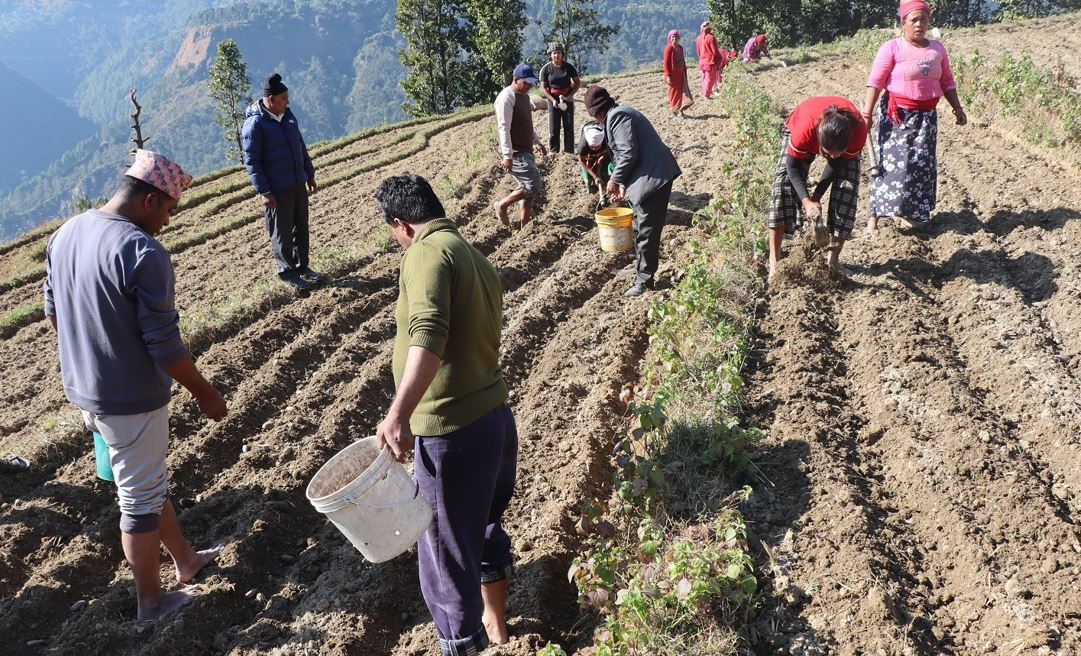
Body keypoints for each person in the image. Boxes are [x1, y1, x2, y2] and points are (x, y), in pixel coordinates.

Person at [43, 150, 227, 621]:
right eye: (168, 210)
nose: (166, 222)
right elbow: (165, 346)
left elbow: (54, 314)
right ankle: (151, 602)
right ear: (149, 200)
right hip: (130, 402)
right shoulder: (143, 252)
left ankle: (186, 561)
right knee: (139, 500)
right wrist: (205, 393)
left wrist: (92, 354)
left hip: (87, 392)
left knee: (146, 480)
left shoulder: (67, 232)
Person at [374, 174, 518, 656]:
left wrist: (399, 413)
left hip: (451, 433)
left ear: (402, 224)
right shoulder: (472, 255)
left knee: (445, 559)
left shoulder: (426, 253)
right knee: (483, 529)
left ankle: (462, 645)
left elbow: (428, 333)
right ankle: (496, 626)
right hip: (493, 419)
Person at [864, 0, 967, 232]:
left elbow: (947, 81)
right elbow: (875, 83)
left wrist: (957, 108)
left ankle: (912, 214)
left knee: (920, 166)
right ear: (904, 22)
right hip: (897, 117)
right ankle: (875, 217)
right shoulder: (892, 48)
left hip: (926, 119)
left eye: (924, 20)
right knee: (890, 165)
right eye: (914, 20)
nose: (919, 24)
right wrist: (867, 114)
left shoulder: (937, 49)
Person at [584, 85, 682, 297]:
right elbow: (624, 154)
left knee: (646, 232)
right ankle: (641, 269)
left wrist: (614, 179)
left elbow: (628, 152)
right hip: (647, 176)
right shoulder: (618, 115)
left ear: (597, 112)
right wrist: (622, 184)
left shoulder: (618, 117)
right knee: (638, 226)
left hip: (654, 178)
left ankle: (645, 281)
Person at [767, 97, 867, 282]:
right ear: (819, 142)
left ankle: (833, 261)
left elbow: (836, 164)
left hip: (841, 139)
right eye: (827, 154)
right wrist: (806, 201)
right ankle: (774, 262)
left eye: (837, 154)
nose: (831, 157)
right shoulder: (805, 131)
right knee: (782, 186)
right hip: (803, 121)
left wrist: (817, 196)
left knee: (847, 190)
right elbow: (792, 167)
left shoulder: (858, 133)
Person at [241, 72, 322, 292]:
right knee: (282, 232)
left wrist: (309, 174)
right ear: (271, 99)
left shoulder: (287, 116)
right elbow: (252, 161)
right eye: (283, 99)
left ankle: (302, 266)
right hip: (276, 190)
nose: (287, 102)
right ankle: (287, 273)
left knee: (301, 227)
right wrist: (264, 191)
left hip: (297, 183)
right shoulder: (255, 124)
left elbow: (300, 145)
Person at [494, 63, 547, 230]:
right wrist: (507, 155)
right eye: (526, 82)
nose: (530, 86)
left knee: (528, 192)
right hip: (515, 152)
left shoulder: (523, 96)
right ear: (515, 79)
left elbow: (526, 123)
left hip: (526, 149)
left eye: (531, 83)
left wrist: (537, 141)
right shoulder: (507, 97)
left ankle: (525, 227)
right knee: (533, 185)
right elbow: (504, 127)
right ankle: (502, 205)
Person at [539, 43, 581, 154]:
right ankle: (554, 152)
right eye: (554, 53)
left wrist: (570, 95)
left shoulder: (569, 67)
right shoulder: (546, 69)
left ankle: (569, 152)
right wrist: (552, 100)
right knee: (554, 128)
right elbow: (543, 87)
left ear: (562, 54)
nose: (556, 55)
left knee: (568, 127)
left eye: (558, 53)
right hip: (553, 100)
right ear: (550, 55)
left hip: (567, 100)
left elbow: (577, 82)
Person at [576, 121, 614, 200]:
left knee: (611, 167)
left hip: (604, 153)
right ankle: (592, 191)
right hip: (589, 156)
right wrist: (595, 176)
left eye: (597, 147)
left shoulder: (608, 140)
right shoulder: (582, 147)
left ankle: (610, 186)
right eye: (592, 147)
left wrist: (601, 158)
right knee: (588, 178)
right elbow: (582, 161)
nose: (594, 149)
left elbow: (611, 151)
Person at [663, 30, 694, 118]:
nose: (675, 39)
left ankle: (681, 111)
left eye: (676, 37)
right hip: (672, 76)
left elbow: (683, 60)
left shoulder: (680, 48)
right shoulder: (668, 49)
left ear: (679, 38)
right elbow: (666, 64)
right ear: (670, 38)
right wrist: (668, 76)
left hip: (680, 74)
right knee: (674, 94)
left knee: (681, 93)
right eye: (673, 37)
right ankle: (675, 113)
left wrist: (684, 71)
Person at [696, 21, 725, 99]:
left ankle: (705, 92)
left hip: (702, 62)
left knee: (704, 78)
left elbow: (698, 51)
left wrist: (700, 59)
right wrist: (719, 59)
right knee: (710, 79)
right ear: (709, 29)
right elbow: (715, 51)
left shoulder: (698, 38)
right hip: (711, 62)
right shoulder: (711, 37)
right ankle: (707, 94)